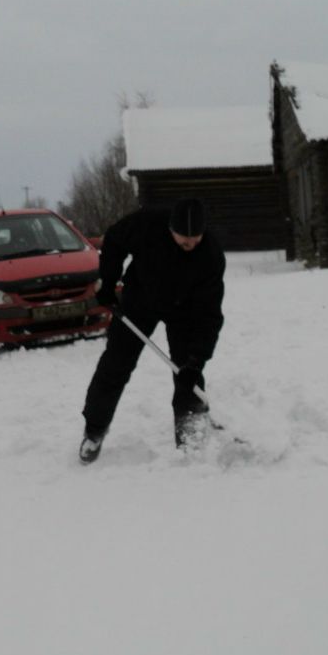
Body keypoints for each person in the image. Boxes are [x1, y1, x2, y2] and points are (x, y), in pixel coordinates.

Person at [79, 197, 226, 464]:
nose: (190, 246)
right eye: (184, 241)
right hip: (140, 299)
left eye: (195, 241)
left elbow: (210, 316)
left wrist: (197, 360)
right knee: (116, 363)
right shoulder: (147, 224)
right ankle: (94, 430)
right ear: (171, 230)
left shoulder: (211, 256)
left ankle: (191, 434)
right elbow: (113, 239)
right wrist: (108, 281)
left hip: (185, 309)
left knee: (188, 373)